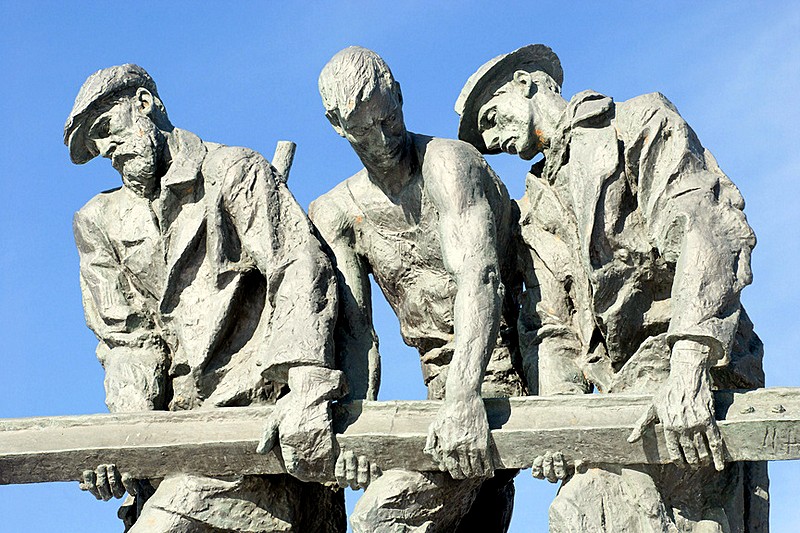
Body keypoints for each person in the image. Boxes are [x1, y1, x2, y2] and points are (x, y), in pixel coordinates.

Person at [456, 44, 768, 532]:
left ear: (525, 82)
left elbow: (704, 228)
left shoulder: (636, 123)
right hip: (614, 397)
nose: (493, 141)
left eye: (493, 118)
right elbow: (548, 328)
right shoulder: (533, 209)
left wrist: (688, 364)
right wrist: (560, 420)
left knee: (601, 505)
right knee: (584, 505)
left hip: (689, 362)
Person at [65, 64, 346, 532]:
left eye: (106, 130)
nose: (107, 152)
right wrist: (126, 442)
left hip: (253, 430)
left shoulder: (233, 169)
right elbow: (126, 343)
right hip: (178, 437)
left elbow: (299, 266)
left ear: (146, 104)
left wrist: (307, 388)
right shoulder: (98, 220)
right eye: (96, 149)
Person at [311, 46, 525, 532]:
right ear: (336, 126)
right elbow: (356, 333)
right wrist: (353, 427)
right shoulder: (337, 212)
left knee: (381, 518)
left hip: (501, 373)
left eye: (389, 117)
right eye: (365, 129)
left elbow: (481, 275)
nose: (385, 138)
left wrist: (465, 394)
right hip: (438, 392)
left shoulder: (448, 164)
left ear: (401, 97)